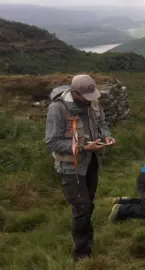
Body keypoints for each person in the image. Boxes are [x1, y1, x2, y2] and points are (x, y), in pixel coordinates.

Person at [45, 74, 115, 262]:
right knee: (81, 207)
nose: (90, 101)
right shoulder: (57, 109)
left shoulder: (93, 103)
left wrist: (107, 136)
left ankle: (87, 241)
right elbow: (52, 142)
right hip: (70, 168)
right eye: (86, 97)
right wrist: (84, 147)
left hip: (91, 162)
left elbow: (102, 123)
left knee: (88, 204)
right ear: (75, 92)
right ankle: (82, 254)